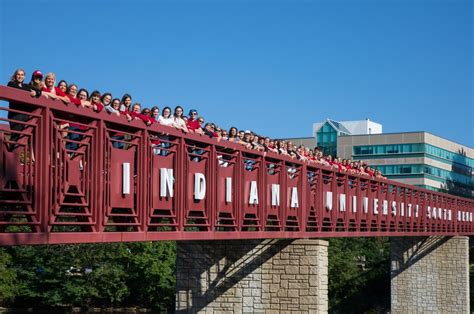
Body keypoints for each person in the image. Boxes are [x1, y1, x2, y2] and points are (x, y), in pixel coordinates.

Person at [6, 69, 43, 144]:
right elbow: (18, 90)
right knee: (15, 136)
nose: (20, 76)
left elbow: (39, 92)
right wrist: (29, 91)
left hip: (25, 115)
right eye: (18, 74)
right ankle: (11, 154)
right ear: (15, 76)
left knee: (25, 138)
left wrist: (35, 92)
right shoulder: (11, 84)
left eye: (22, 75)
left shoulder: (26, 86)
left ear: (24, 76)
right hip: (15, 114)